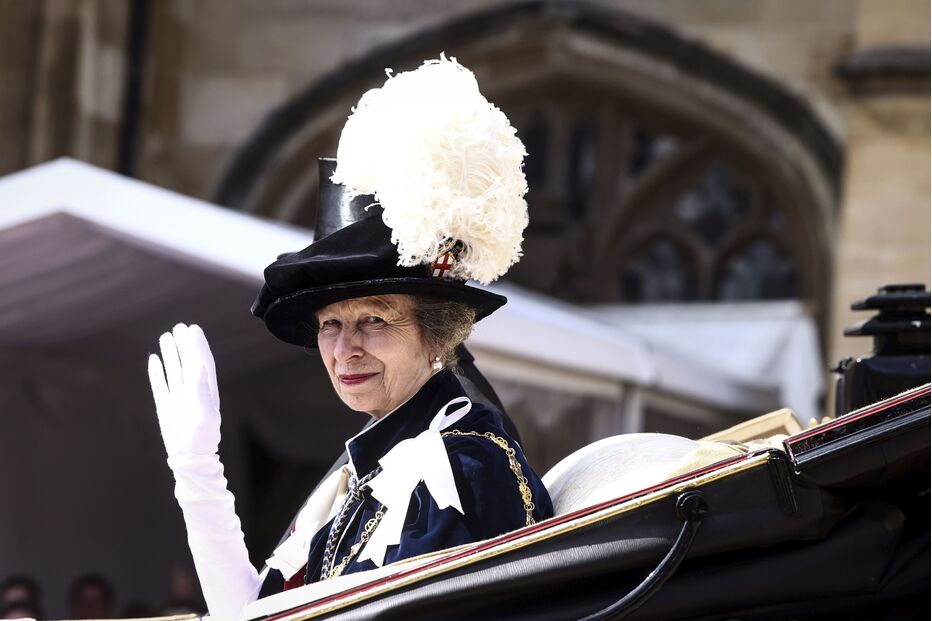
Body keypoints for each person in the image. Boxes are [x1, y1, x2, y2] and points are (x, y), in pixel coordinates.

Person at [147, 56, 553, 620]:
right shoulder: (367, 472)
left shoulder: (461, 469)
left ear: (437, 332)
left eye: (375, 320)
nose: (345, 350)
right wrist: (197, 474)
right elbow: (251, 613)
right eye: (330, 326)